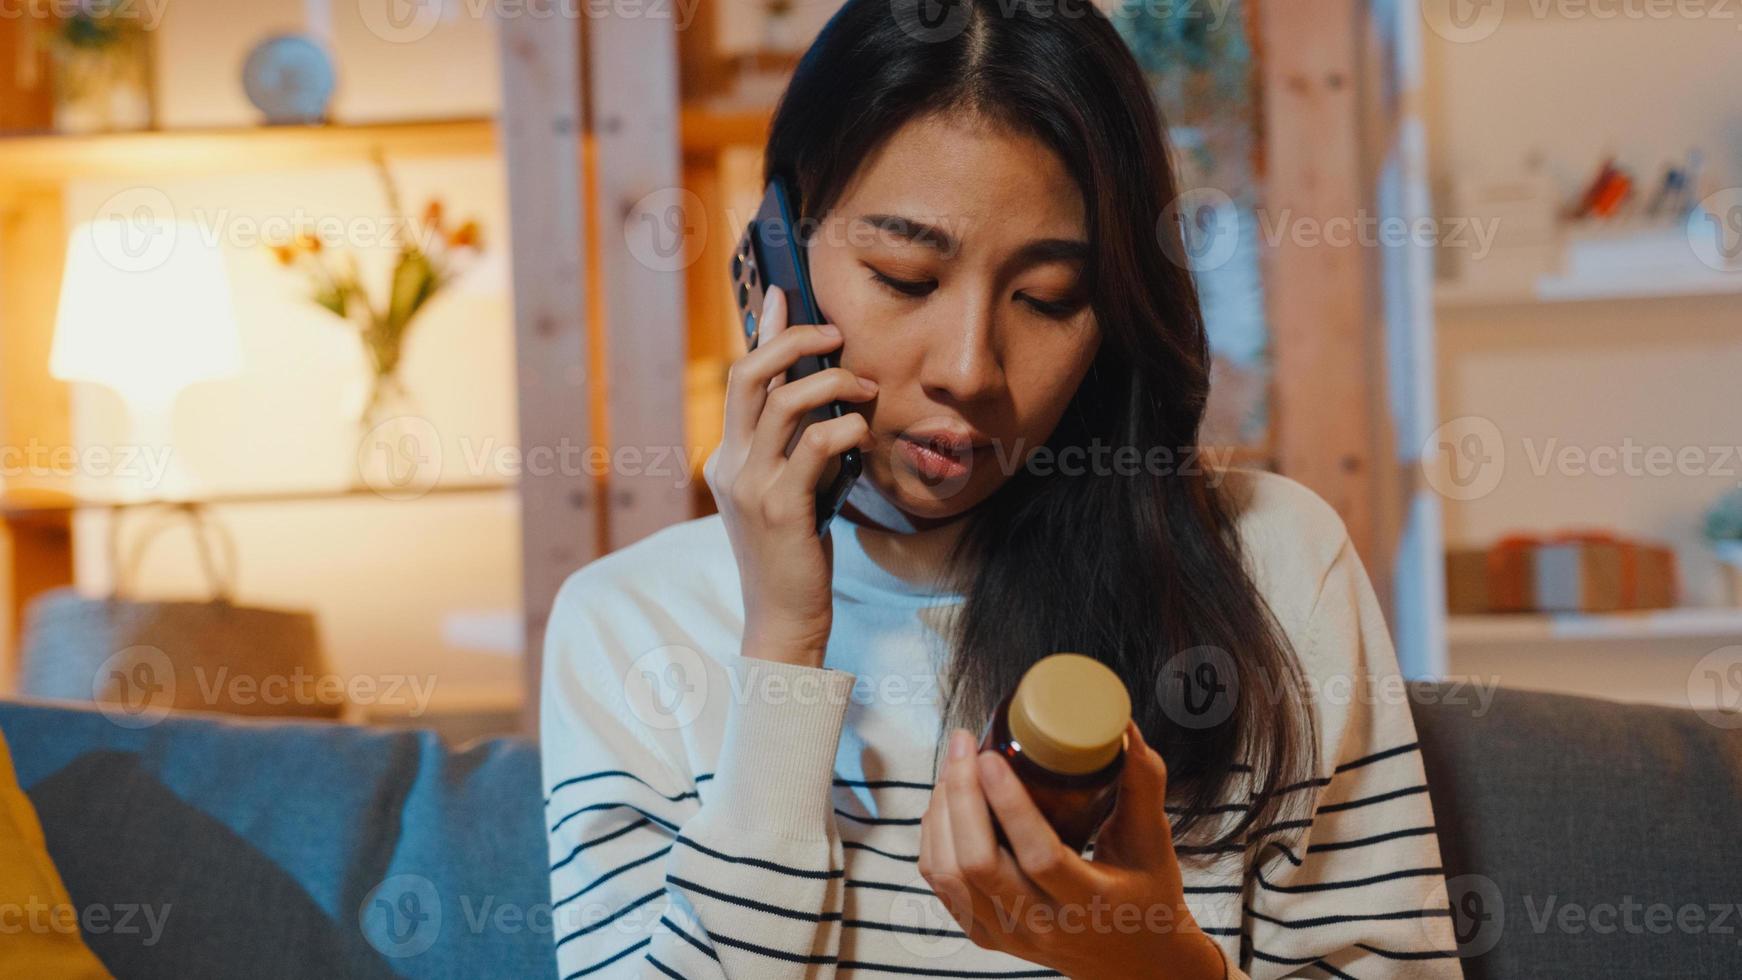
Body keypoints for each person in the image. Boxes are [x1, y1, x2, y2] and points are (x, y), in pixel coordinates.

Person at [540, 0, 1459, 976]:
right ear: (775, 258)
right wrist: (780, 647)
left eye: (1046, 298)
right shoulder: (625, 626)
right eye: (904, 275)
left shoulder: (1274, 564)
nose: (971, 368)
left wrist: (1156, 966)